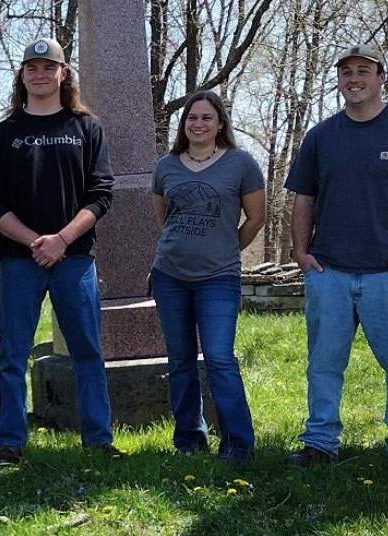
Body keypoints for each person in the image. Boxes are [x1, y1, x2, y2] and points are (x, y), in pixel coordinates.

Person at [284, 44, 388, 479]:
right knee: (323, 363)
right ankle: (320, 443)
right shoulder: (320, 136)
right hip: (329, 272)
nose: (354, 78)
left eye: (363, 71)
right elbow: (304, 197)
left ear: (380, 78)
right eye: (347, 72)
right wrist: (301, 252)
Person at [0, 37, 122, 466]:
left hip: (74, 260)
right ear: (22, 76)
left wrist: (61, 239)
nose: (39, 74)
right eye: (31, 68)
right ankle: (10, 442)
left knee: (87, 352)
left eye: (48, 67)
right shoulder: (6, 133)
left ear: (63, 74)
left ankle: (98, 439)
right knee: (13, 354)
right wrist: (33, 241)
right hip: (19, 261)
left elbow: (101, 193)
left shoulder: (86, 128)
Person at [150, 90, 264, 462]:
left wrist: (228, 248)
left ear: (220, 124)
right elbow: (163, 218)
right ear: (184, 125)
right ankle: (189, 439)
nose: (198, 124)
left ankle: (238, 444)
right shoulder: (166, 166)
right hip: (170, 275)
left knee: (219, 358)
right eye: (192, 118)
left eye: (206, 118)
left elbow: (256, 218)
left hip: (219, 277)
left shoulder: (241, 164)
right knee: (180, 359)